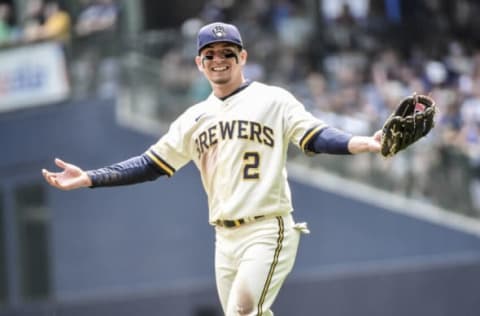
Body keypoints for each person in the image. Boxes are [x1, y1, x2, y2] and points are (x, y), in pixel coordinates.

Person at [42, 22, 382, 315]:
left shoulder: (273, 100)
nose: (219, 59)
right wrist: (90, 178)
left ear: (243, 57)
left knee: (244, 310)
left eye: (227, 52)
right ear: (199, 63)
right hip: (224, 238)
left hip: (266, 228)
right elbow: (149, 164)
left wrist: (361, 143)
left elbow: (316, 136)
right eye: (210, 54)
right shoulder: (192, 119)